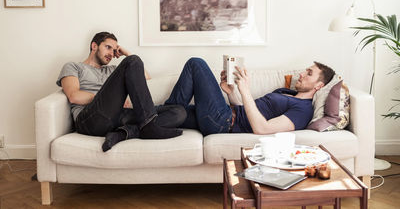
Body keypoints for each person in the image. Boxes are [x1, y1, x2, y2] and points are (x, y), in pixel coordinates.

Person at [57, 32, 185, 152]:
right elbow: (74, 96)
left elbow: (146, 78)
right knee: (133, 60)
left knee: (179, 112)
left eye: (114, 51)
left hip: (116, 118)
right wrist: (113, 100)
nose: (111, 54)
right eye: (108, 47)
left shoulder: (112, 70)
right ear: (94, 46)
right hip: (89, 120)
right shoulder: (74, 67)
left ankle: (126, 132)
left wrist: (127, 54)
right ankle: (148, 127)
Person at [165, 57, 335, 136]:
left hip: (222, 122)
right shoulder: (286, 92)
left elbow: (262, 128)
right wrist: (231, 92)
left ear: (319, 85)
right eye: (305, 70)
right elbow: (249, 111)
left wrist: (245, 90)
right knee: (164, 114)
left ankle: (168, 111)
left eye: (309, 73)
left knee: (196, 64)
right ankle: (147, 123)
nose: (302, 74)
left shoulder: (303, 110)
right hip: (224, 114)